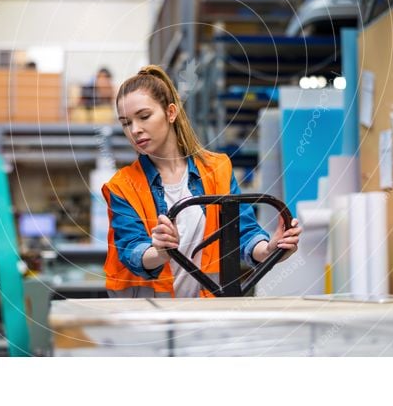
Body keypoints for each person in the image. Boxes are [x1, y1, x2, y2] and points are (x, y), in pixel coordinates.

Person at [102, 65, 301, 298]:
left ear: (171, 112)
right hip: (148, 321)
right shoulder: (123, 186)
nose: (135, 130)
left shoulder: (217, 170)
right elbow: (131, 249)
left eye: (144, 116)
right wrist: (159, 252)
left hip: (206, 315)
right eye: (126, 123)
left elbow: (242, 233)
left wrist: (269, 250)